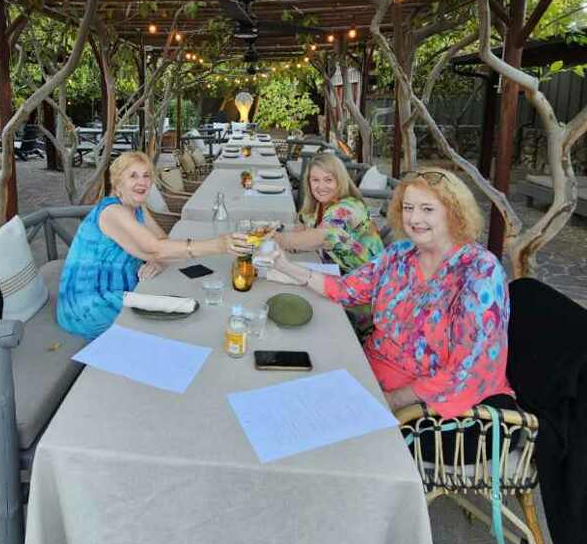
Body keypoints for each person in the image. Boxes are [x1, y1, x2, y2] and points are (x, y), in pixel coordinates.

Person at [255, 168, 515, 418]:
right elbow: (346, 289)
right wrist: (286, 267)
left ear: (453, 213)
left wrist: (393, 400)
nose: (414, 219)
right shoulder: (400, 253)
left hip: (428, 407)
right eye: (408, 208)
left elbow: (471, 367)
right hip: (367, 374)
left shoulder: (479, 271)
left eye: (427, 209)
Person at [57, 151, 232, 340]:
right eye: (133, 176)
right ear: (118, 183)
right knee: (170, 327)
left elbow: (162, 242)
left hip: (126, 288)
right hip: (90, 303)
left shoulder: (137, 207)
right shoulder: (112, 211)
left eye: (146, 175)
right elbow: (155, 247)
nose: (142, 182)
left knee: (186, 306)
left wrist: (159, 261)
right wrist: (218, 245)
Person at [276, 152, 383, 273]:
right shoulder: (318, 205)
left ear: (340, 181)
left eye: (328, 180)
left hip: (368, 279)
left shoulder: (348, 207)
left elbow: (324, 235)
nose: (321, 186)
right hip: (335, 272)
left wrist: (279, 239)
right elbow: (301, 229)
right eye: (315, 180)